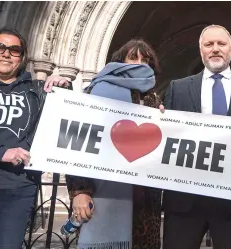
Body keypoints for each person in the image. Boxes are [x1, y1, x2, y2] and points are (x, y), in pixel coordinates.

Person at [159, 24, 231, 249]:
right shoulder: (177, 89)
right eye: (209, 44)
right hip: (185, 201)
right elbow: (165, 140)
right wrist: (159, 121)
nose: (215, 49)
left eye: (221, 44)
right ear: (201, 51)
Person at [0, 27, 68, 249]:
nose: (6, 53)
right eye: (0, 47)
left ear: (22, 58)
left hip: (15, 190)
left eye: (14, 50)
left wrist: (63, 87)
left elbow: (69, 117)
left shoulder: (37, 90)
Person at [65, 39, 162, 249]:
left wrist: (165, 121)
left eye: (145, 60)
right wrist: (80, 191)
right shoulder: (97, 91)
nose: (139, 63)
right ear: (120, 60)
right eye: (133, 57)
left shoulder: (154, 100)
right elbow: (79, 142)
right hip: (102, 195)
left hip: (144, 204)